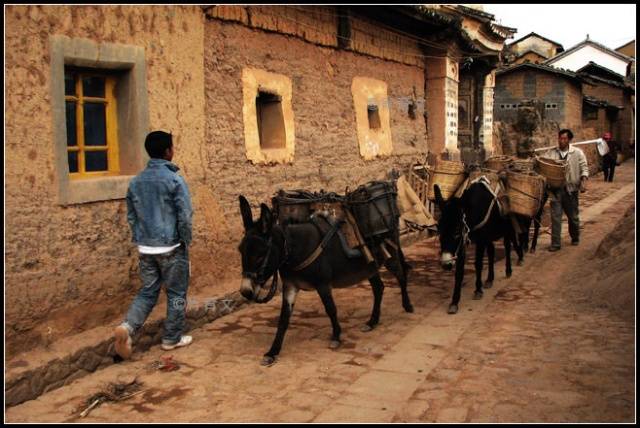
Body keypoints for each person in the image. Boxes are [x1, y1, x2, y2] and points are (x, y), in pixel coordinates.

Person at [114, 130, 194, 359]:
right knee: (177, 292)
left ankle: (128, 328)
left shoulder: (136, 182)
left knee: (148, 291)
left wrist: (142, 236)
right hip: (171, 246)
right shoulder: (174, 180)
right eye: (172, 147)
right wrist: (185, 241)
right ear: (168, 151)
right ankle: (172, 338)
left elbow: (132, 215)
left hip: (146, 247)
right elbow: (185, 215)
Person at [544, 129, 589, 252]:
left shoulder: (577, 153)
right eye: (560, 138)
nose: (561, 141)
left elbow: (584, 168)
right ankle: (556, 243)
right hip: (555, 190)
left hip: (571, 190)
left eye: (564, 138)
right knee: (556, 217)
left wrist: (583, 182)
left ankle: (575, 236)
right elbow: (544, 164)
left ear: (569, 140)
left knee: (573, 217)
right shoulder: (551, 153)